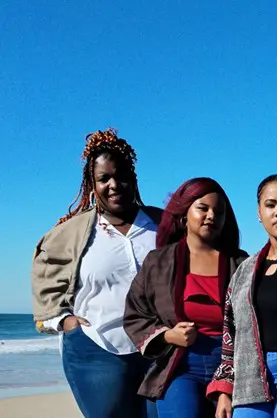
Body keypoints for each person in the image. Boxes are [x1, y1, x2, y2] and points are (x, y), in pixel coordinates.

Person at [30, 128, 161, 418]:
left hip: (162, 350)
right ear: (92, 184)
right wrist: (66, 322)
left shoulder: (162, 224)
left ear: (133, 178)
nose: (114, 185)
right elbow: (45, 279)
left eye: (121, 176)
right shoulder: (72, 233)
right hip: (98, 350)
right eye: (104, 179)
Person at [124, 177, 249, 418]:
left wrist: (228, 383)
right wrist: (168, 335)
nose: (211, 215)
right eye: (203, 208)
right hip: (179, 367)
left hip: (232, 367)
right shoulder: (158, 261)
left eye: (219, 212)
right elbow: (134, 314)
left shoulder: (240, 263)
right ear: (184, 214)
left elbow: (254, 323)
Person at [208, 175, 277, 418]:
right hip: (250, 375)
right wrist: (225, 389)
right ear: (259, 212)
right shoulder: (246, 269)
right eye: (271, 204)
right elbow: (230, 332)